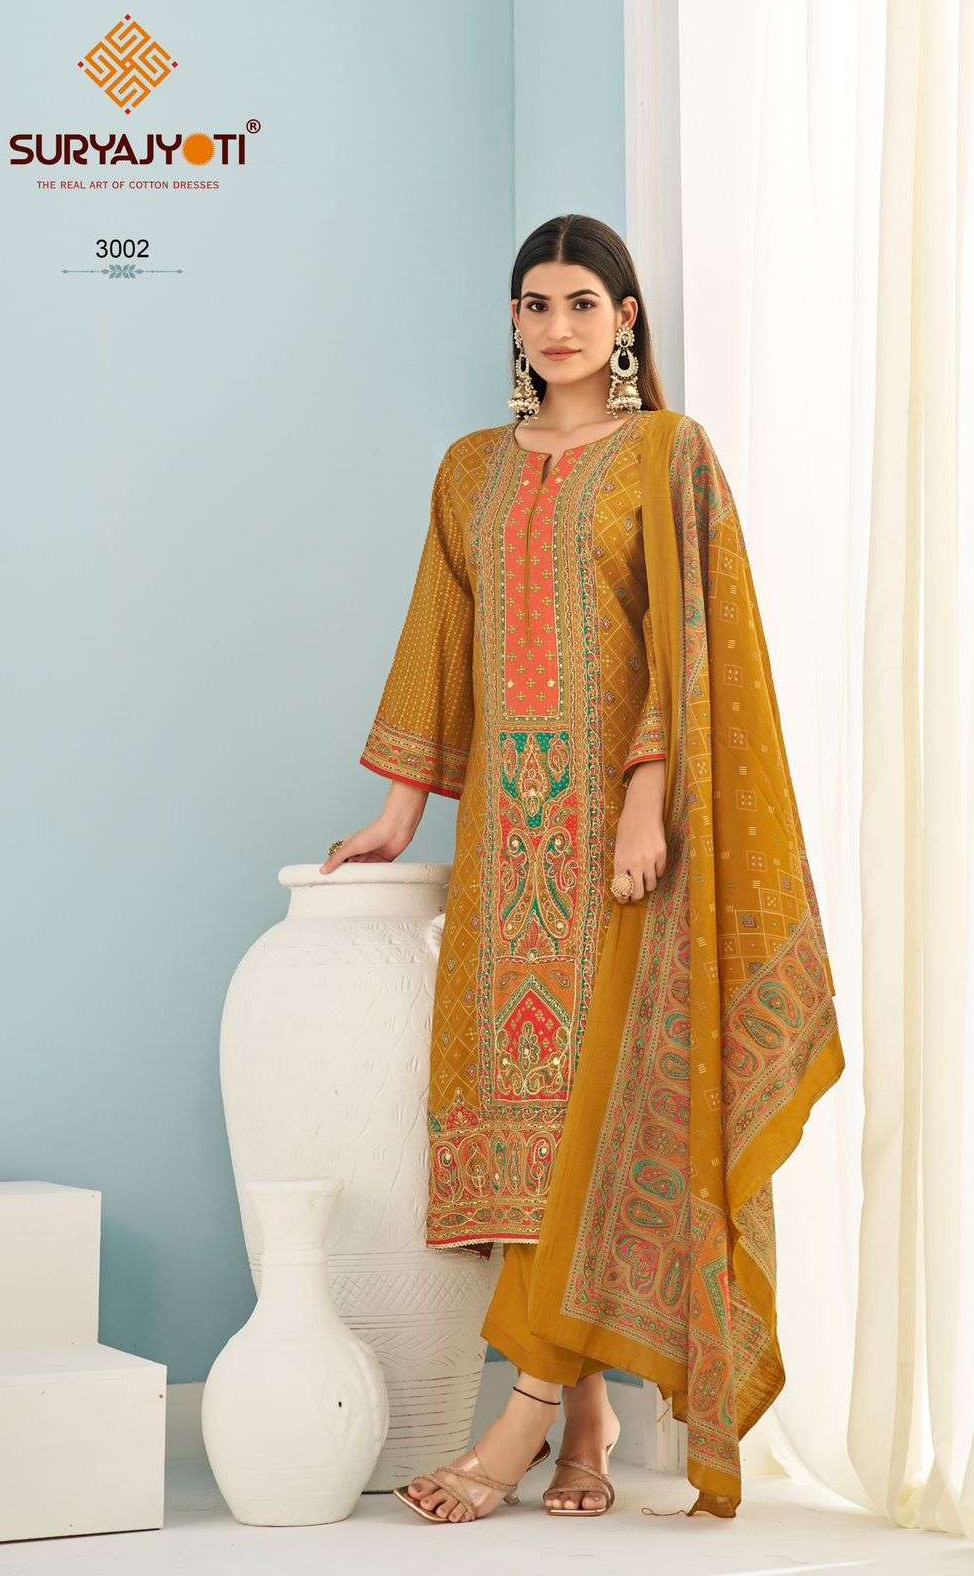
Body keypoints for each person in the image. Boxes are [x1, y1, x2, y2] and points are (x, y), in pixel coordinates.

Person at [320, 214, 845, 1523]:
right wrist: (398, 811)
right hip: (506, 848)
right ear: (514, 321)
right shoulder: (470, 470)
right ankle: (589, 1432)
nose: (557, 327)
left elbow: (688, 645)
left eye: (582, 304)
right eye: (536, 304)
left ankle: (517, 1430)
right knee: (533, 1127)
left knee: (606, 1115)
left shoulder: (666, 454)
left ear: (625, 321)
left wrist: (645, 803)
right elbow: (439, 636)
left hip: (622, 848)